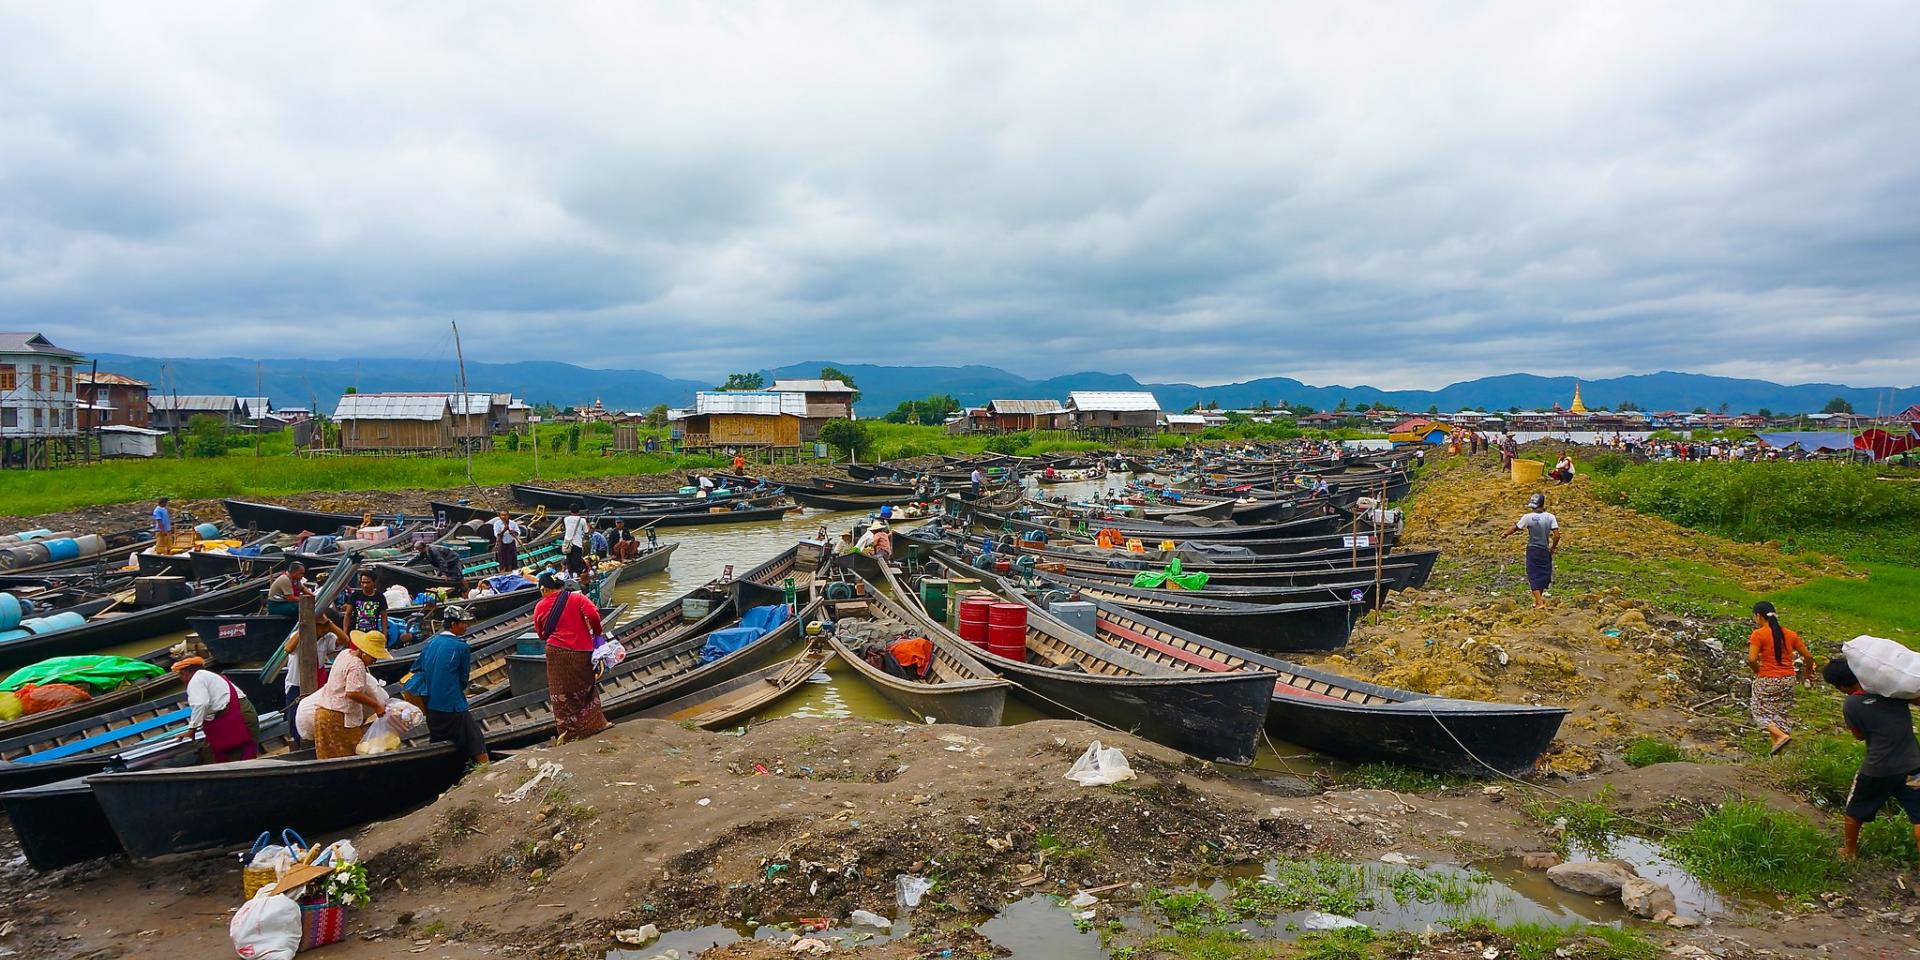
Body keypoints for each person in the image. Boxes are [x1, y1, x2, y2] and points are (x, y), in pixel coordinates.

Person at [1822, 658, 1920, 861]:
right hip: (1913, 767)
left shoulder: (1852, 703)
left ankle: (1849, 852)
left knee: (1854, 810)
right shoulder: (1892, 691)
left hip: (1878, 770)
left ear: (1841, 686)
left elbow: (1859, 735)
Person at [403, 604, 489, 765]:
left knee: (439, 740)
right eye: (463, 623)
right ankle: (487, 771)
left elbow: (416, 667)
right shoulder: (461, 647)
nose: (466, 626)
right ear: (454, 624)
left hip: (432, 706)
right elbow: (463, 678)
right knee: (476, 740)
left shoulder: (431, 643)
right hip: (453, 705)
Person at [533, 573, 609, 742]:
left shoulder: (540, 605)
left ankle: (570, 734)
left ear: (543, 589)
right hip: (581, 650)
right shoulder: (577, 598)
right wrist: (596, 633)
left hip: (556, 653)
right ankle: (594, 725)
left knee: (561, 694)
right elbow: (594, 615)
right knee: (586, 687)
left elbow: (540, 634)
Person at [309, 628, 391, 759]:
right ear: (364, 653)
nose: (374, 661)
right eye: (373, 657)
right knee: (354, 754)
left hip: (323, 713)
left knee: (329, 758)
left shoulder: (345, 653)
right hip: (338, 717)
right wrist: (376, 705)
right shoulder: (357, 665)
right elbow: (352, 693)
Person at [1747, 601, 1817, 754]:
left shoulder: (1758, 634)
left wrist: (1757, 671)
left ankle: (1781, 736)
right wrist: (1807, 674)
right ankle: (1778, 751)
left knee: (1759, 711)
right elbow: (1808, 656)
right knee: (1779, 714)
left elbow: (1751, 659)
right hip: (1788, 679)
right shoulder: (1790, 634)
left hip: (1767, 678)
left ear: (1758, 616)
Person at [172, 657, 260, 762]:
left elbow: (201, 704)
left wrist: (192, 730)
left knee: (237, 758)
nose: (180, 678)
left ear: (186, 672)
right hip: (243, 713)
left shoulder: (196, 679)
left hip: (239, 717)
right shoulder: (209, 676)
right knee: (244, 753)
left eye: (180, 675)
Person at [1501, 493, 1561, 609]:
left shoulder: (1527, 517)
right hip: (1544, 549)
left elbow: (1515, 528)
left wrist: (1505, 534)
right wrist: (1553, 547)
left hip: (1533, 549)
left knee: (1533, 574)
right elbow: (1557, 535)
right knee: (1543, 573)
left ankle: (1539, 602)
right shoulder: (1550, 517)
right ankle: (1539, 599)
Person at [341, 571, 389, 636]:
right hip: (356, 634)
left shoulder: (380, 597)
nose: (365, 585)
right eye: (363, 582)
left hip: (373, 635)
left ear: (374, 582)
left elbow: (384, 616)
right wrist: (345, 632)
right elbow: (348, 614)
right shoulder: (355, 595)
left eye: (367, 582)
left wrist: (384, 634)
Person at [562, 507, 591, 581]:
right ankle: (578, 576)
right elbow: (586, 531)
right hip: (577, 543)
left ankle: (571, 576)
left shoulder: (566, 519)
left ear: (570, 511)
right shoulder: (582, 520)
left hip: (568, 544)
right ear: (578, 511)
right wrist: (587, 524)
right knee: (577, 561)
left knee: (569, 560)